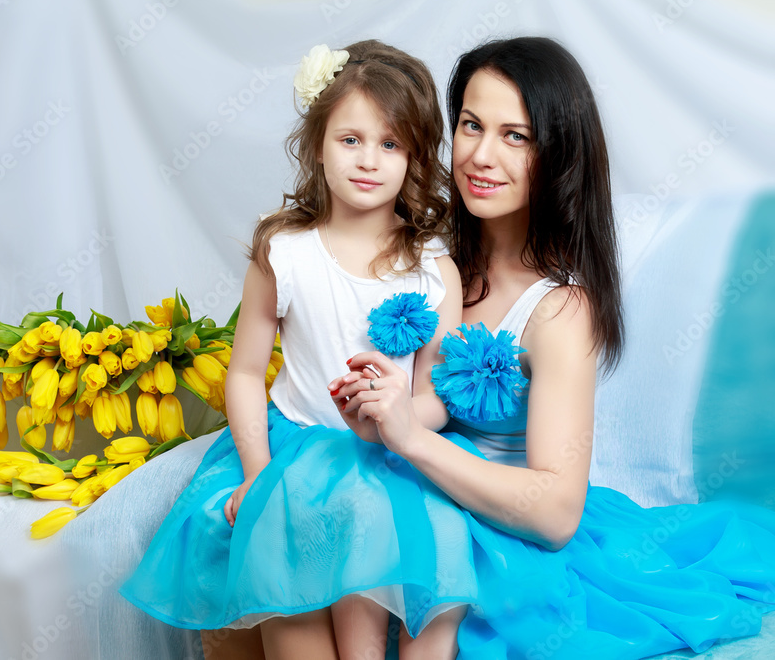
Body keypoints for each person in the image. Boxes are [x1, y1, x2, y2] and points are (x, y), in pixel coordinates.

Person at [328, 36, 775, 658]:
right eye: (471, 126)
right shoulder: (430, 262)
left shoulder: (560, 310)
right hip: (411, 500)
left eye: (517, 136)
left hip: (502, 533)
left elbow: (556, 515)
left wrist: (410, 437)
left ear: (558, 156)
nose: (482, 156)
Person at [120, 39, 471, 659]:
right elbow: (246, 373)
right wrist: (258, 473)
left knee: (377, 619)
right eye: (351, 139)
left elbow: (435, 397)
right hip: (292, 456)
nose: (369, 160)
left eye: (391, 145)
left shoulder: (432, 271)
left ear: (415, 158)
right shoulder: (284, 251)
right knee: (291, 616)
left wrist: (400, 421)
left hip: (388, 461)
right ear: (316, 144)